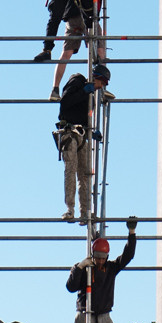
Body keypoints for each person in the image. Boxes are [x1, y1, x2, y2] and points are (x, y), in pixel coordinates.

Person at [54, 66, 112, 223]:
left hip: (81, 135)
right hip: (68, 133)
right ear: (96, 77)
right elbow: (65, 103)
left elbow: (84, 118)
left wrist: (91, 132)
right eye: (102, 82)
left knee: (85, 174)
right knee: (70, 169)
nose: (101, 86)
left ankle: (85, 211)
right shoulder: (77, 81)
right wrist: (84, 91)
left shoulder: (91, 95)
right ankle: (70, 209)